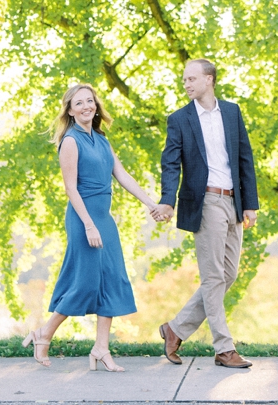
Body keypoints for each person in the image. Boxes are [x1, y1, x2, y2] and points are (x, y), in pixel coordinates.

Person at [23, 82, 169, 371]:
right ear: (70, 110)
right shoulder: (70, 141)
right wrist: (89, 225)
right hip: (83, 219)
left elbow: (122, 175)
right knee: (85, 282)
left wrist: (151, 203)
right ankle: (43, 333)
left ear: (96, 105)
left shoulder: (101, 139)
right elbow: (70, 189)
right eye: (79, 103)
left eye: (90, 101)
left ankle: (101, 348)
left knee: (111, 279)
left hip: (105, 219)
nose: (86, 106)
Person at [155, 58, 259, 369]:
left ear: (209, 79)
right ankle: (224, 349)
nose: (186, 84)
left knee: (228, 274)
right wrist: (167, 200)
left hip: (234, 202)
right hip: (206, 203)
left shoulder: (231, 111)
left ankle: (175, 329)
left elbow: (244, 158)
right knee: (213, 277)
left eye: (191, 79)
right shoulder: (180, 120)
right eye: (184, 80)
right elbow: (171, 164)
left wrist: (250, 203)